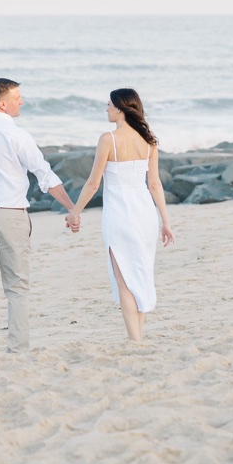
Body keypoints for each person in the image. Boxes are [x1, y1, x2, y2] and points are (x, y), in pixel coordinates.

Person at [0, 77, 78, 353]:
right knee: (17, 286)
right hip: (11, 216)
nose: (22, 101)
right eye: (18, 97)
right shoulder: (18, 136)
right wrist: (71, 207)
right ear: (3, 103)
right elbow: (45, 175)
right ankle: (18, 349)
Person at [70, 88, 175, 342]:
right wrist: (165, 222)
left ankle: (135, 341)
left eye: (108, 105)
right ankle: (137, 336)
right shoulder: (149, 141)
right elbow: (154, 185)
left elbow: (93, 184)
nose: (106, 109)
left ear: (120, 108)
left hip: (120, 216)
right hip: (145, 215)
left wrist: (75, 211)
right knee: (139, 274)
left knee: (124, 280)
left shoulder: (108, 139)